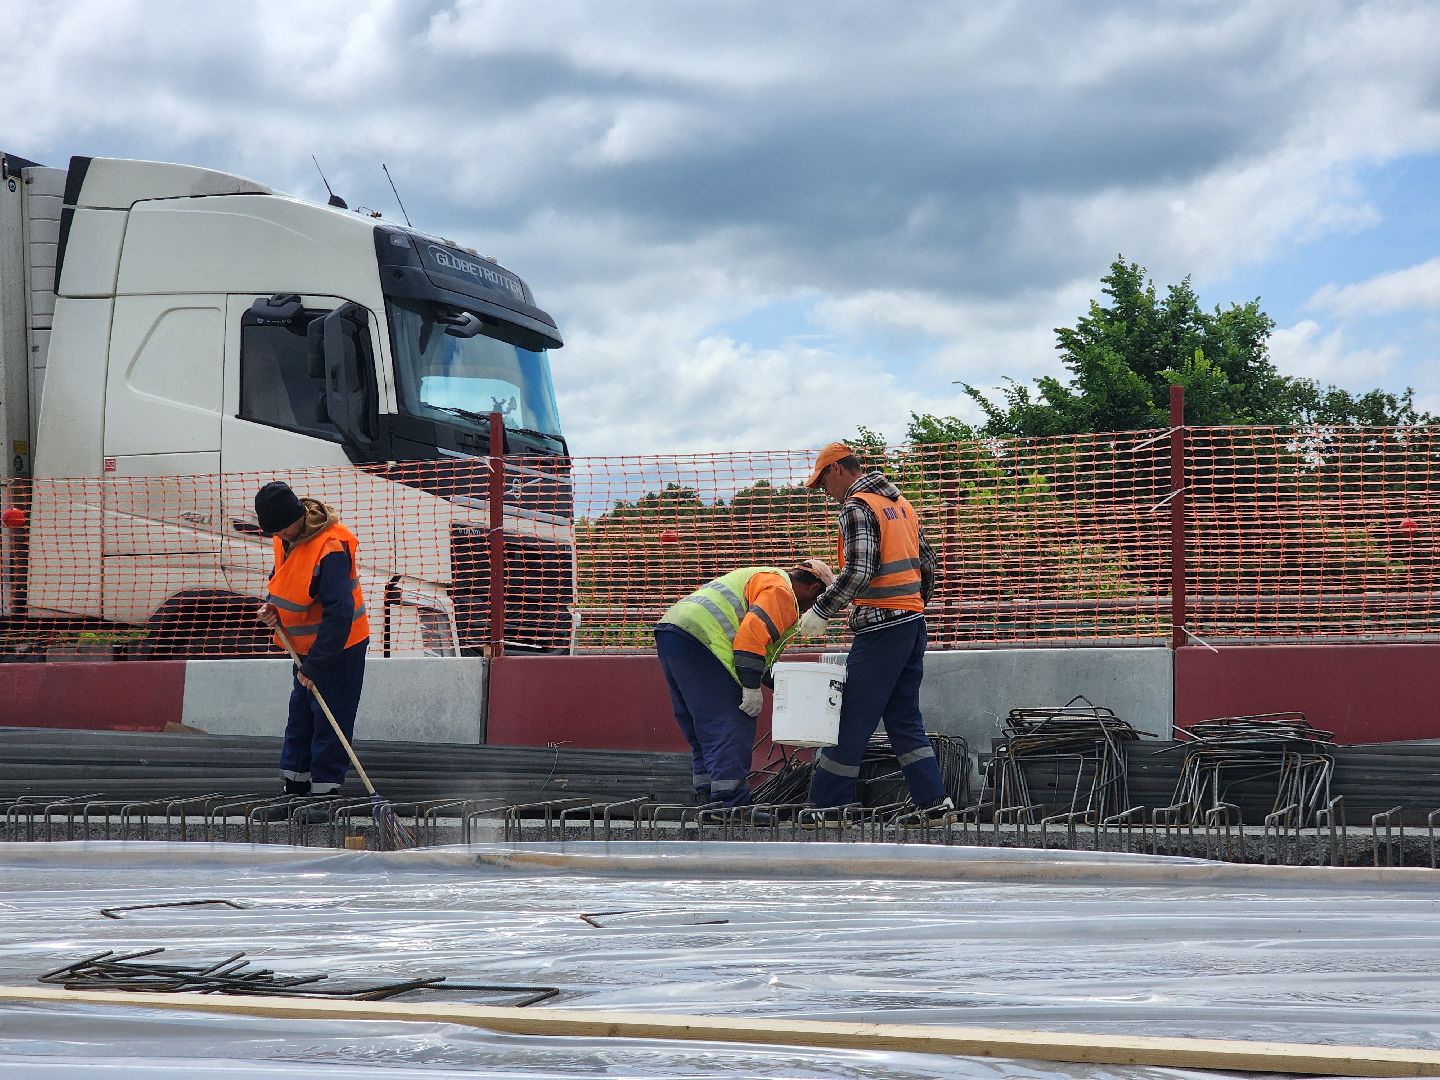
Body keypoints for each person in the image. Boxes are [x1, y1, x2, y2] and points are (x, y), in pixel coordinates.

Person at [796, 442, 955, 825]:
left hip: (881, 629)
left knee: (851, 715)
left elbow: (860, 571)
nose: (825, 493)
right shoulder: (901, 505)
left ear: (837, 470)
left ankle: (828, 808)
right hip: (912, 624)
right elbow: (928, 566)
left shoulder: (856, 506)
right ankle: (934, 803)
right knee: (903, 717)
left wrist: (821, 610)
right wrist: (912, 607)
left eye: (823, 484)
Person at [655, 560, 834, 807]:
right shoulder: (782, 592)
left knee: (702, 727)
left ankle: (708, 798)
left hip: (674, 632)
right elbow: (749, 642)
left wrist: (786, 684)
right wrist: (750, 689)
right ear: (814, 589)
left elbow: (757, 653)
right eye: (818, 603)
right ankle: (730, 804)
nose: (810, 610)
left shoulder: (766, 578)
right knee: (732, 720)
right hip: (704, 640)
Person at [253, 480, 369, 797]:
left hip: (339, 648)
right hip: (303, 648)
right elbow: (286, 582)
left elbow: (340, 613)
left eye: (283, 529)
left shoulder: (331, 546)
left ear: (299, 517)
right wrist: (271, 607)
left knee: (329, 723)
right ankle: (294, 789)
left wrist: (314, 666)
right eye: (275, 532)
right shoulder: (285, 537)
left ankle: (325, 795)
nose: (280, 536)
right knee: (301, 719)